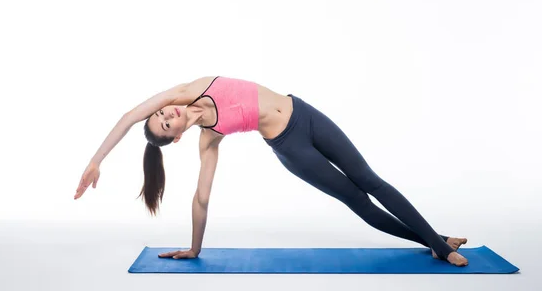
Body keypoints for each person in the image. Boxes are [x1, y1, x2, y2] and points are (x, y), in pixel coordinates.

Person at [74, 75, 469, 266]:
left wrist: (96, 160)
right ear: (175, 137)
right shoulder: (208, 139)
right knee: (360, 203)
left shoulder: (189, 89)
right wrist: (195, 248)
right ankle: (437, 245)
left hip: (307, 114)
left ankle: (436, 239)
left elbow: (130, 115)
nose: (166, 114)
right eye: (164, 123)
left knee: (370, 180)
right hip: (291, 148)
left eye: (160, 113)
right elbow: (202, 197)